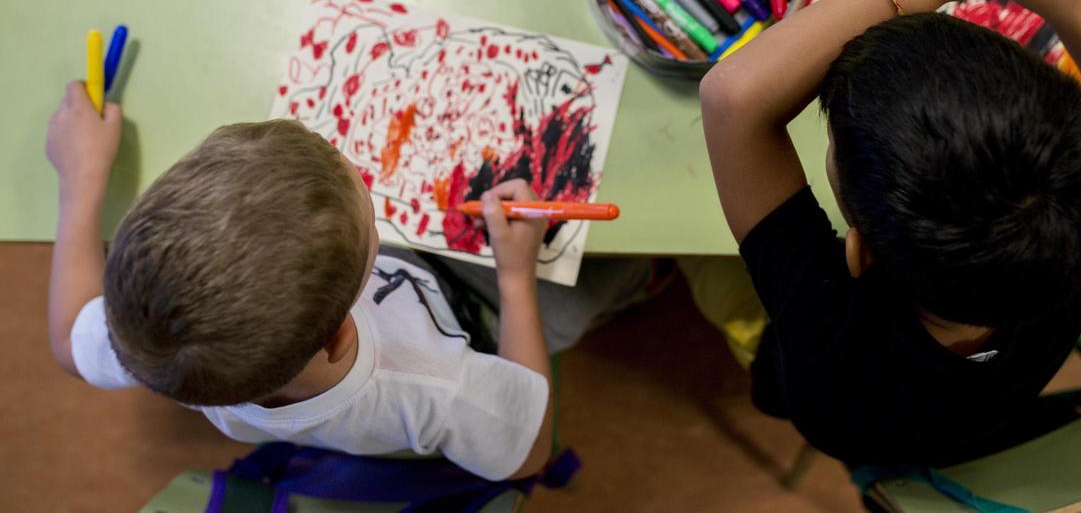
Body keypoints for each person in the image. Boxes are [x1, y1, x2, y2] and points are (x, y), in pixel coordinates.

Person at [696, 0, 1081, 466]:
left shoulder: (830, 331)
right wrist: (1062, 3)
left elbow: (733, 102)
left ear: (859, 254)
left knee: (705, 272)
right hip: (964, 419)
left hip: (819, 401)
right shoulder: (1080, 230)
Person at [45, 110, 652, 481]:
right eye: (366, 199)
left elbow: (69, 340)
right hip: (479, 319)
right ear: (342, 332)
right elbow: (527, 451)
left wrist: (80, 179)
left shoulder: (143, 337)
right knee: (609, 277)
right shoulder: (434, 387)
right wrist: (517, 277)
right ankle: (640, 288)